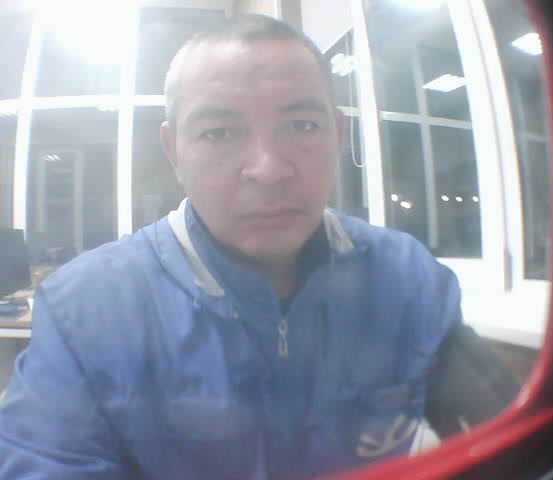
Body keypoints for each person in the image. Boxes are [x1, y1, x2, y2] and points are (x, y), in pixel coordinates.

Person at [0, 14, 518, 480]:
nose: (268, 169)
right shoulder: (85, 310)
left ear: (337, 135)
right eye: (219, 132)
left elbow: (509, 435)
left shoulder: (407, 279)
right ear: (174, 151)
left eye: (302, 125)